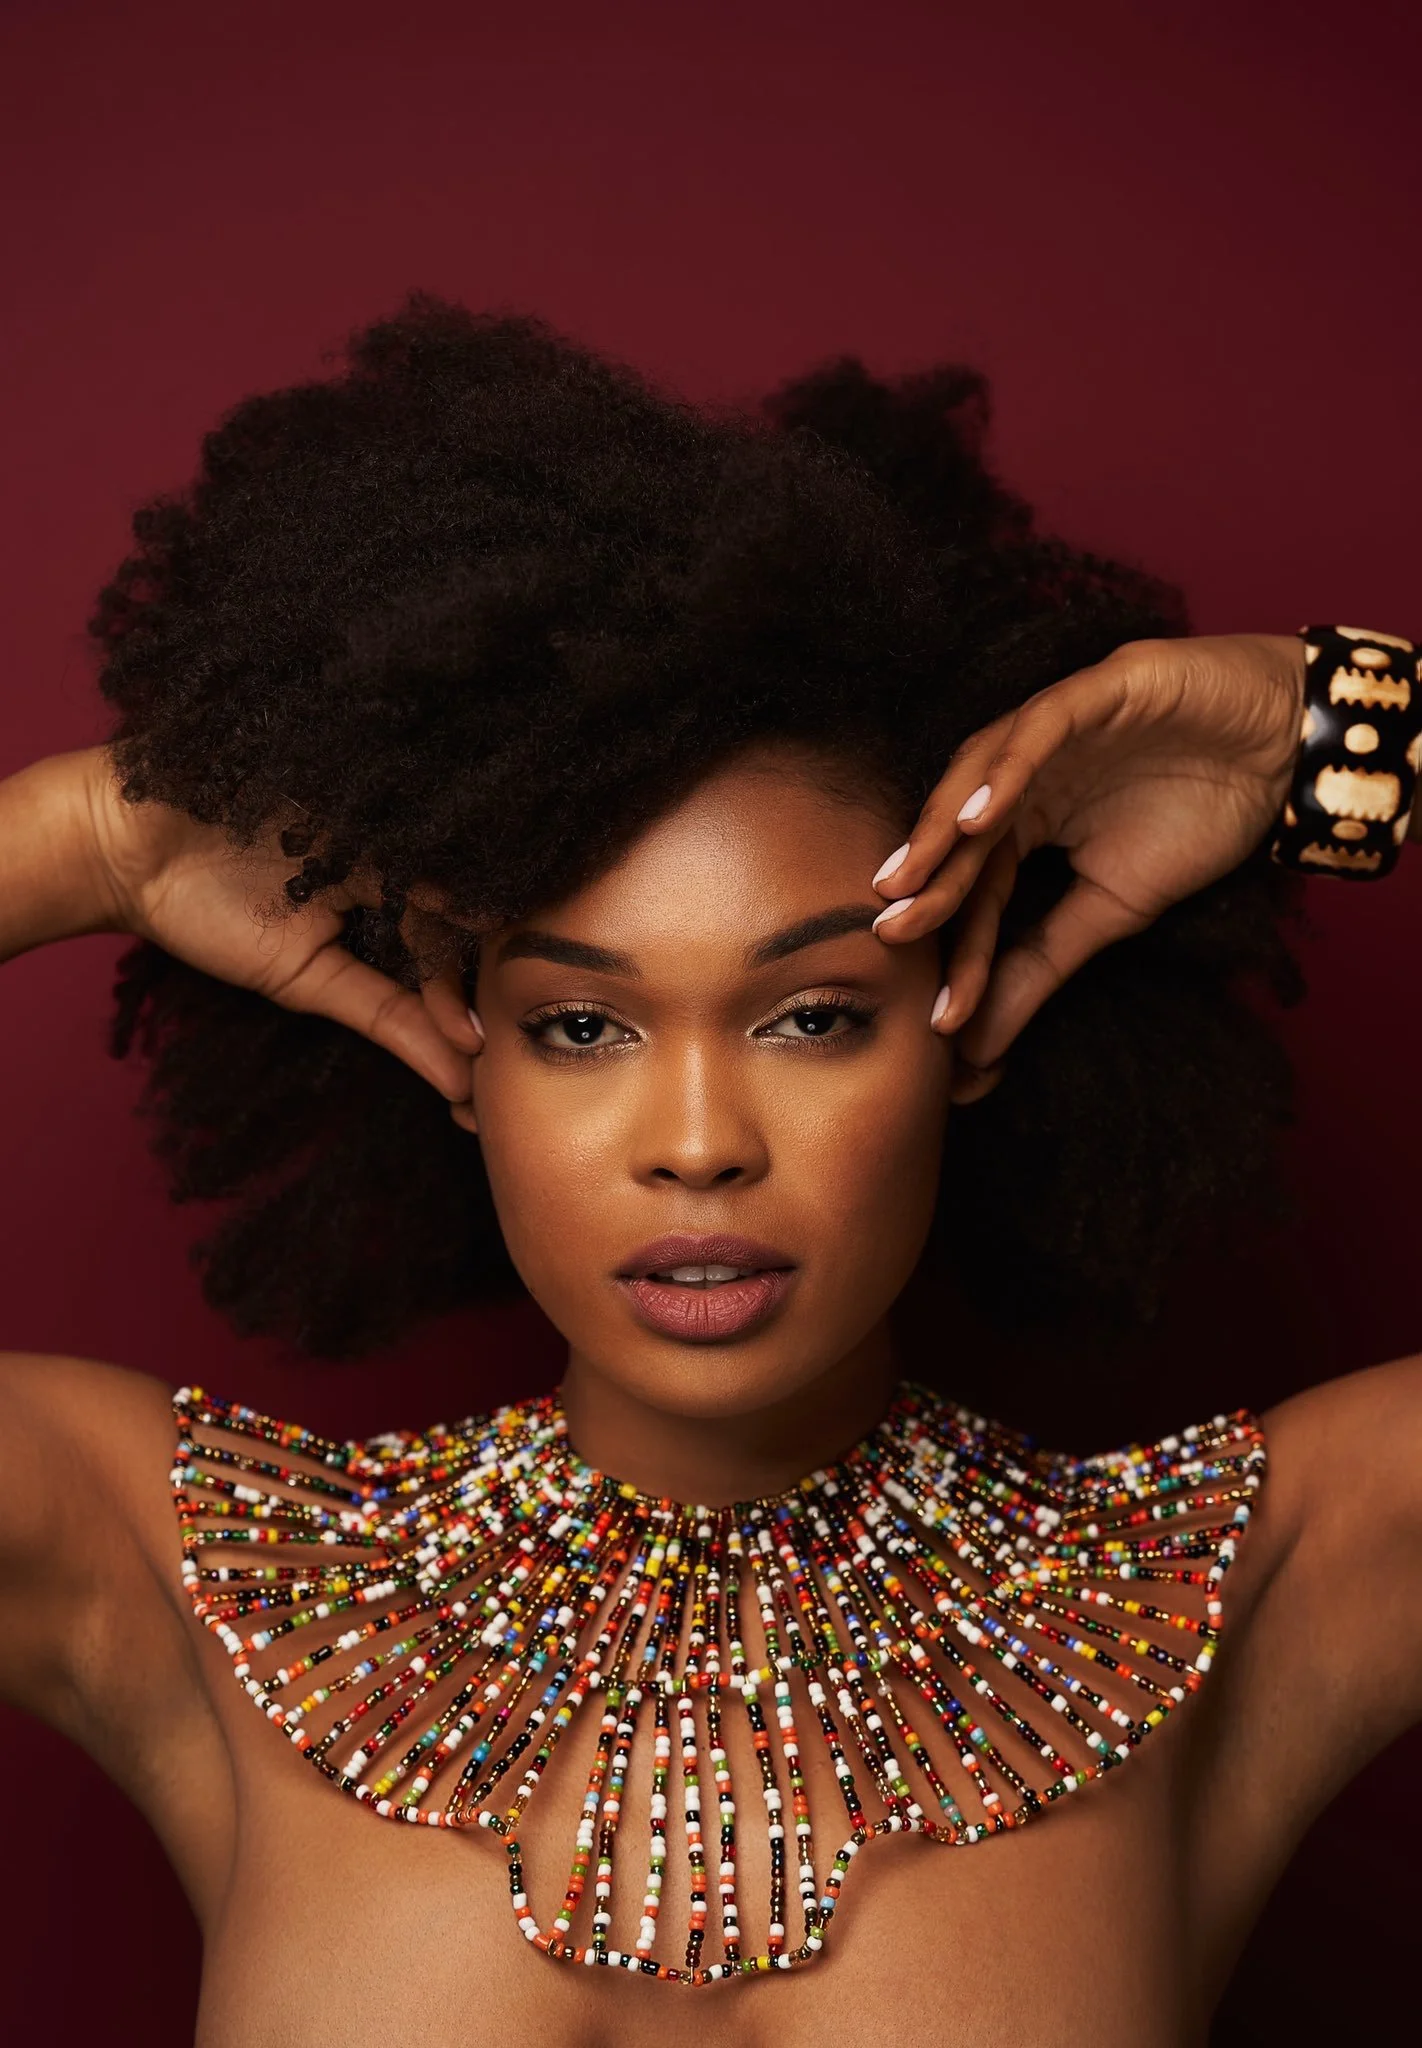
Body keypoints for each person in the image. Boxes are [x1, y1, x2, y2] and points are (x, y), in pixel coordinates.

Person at [0, 298, 1417, 2047]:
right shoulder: (192, 1581)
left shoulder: (1245, 1587)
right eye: (580, 1026)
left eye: (812, 1016)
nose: (695, 1140)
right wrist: (80, 843)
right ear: (457, 1055)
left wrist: (1336, 741)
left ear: (966, 1028)